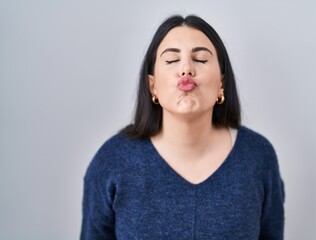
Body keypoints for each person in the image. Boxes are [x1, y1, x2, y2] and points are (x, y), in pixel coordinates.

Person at [81, 14, 285, 239]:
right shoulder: (112, 161)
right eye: (171, 61)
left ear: (221, 84)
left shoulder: (258, 156)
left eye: (200, 59)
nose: (186, 69)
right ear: (152, 86)